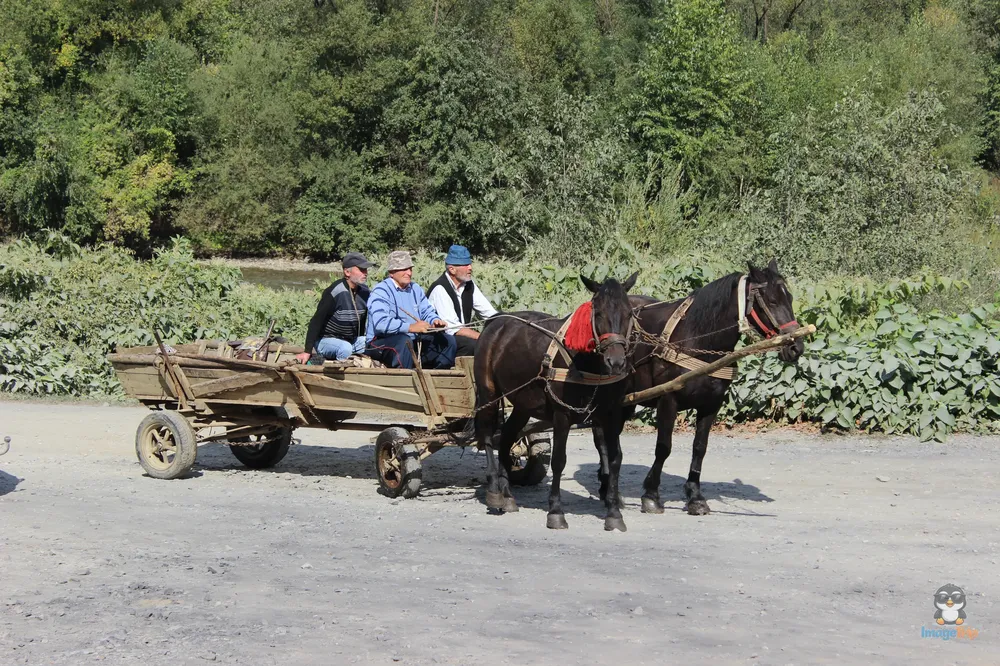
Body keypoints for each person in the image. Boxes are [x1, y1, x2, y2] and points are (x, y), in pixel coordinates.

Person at [366, 250, 457, 369]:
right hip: (380, 342)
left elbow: (427, 312)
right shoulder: (380, 291)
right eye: (404, 269)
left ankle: (437, 378)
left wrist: (435, 320)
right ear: (391, 272)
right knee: (404, 342)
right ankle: (406, 382)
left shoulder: (415, 288)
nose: (409, 273)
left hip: (412, 339)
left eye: (410, 269)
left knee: (448, 341)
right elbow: (381, 323)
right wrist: (411, 327)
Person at [296, 252, 373, 364]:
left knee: (371, 342)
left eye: (366, 270)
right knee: (345, 348)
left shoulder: (365, 292)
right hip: (326, 340)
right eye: (361, 269)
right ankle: (339, 372)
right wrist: (307, 351)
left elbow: (361, 321)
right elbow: (316, 321)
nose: (365, 273)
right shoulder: (334, 292)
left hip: (350, 340)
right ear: (347, 272)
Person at [426, 244, 498, 357]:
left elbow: (489, 314)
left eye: (469, 264)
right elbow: (453, 329)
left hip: (461, 338)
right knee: (474, 345)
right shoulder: (440, 288)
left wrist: (507, 325)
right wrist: (484, 338)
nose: (470, 268)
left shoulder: (469, 285)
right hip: (441, 343)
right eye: (465, 265)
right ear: (452, 269)